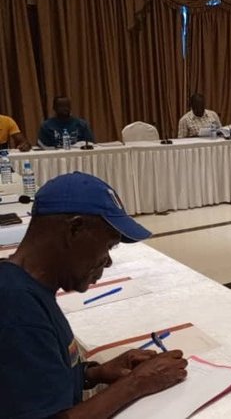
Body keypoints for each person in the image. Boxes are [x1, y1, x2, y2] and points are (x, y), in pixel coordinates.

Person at [0, 172, 188, 418]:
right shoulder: (16, 310)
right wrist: (135, 384)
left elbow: (35, 381)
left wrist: (94, 373)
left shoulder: (22, 284)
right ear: (75, 229)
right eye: (108, 245)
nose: (108, 261)